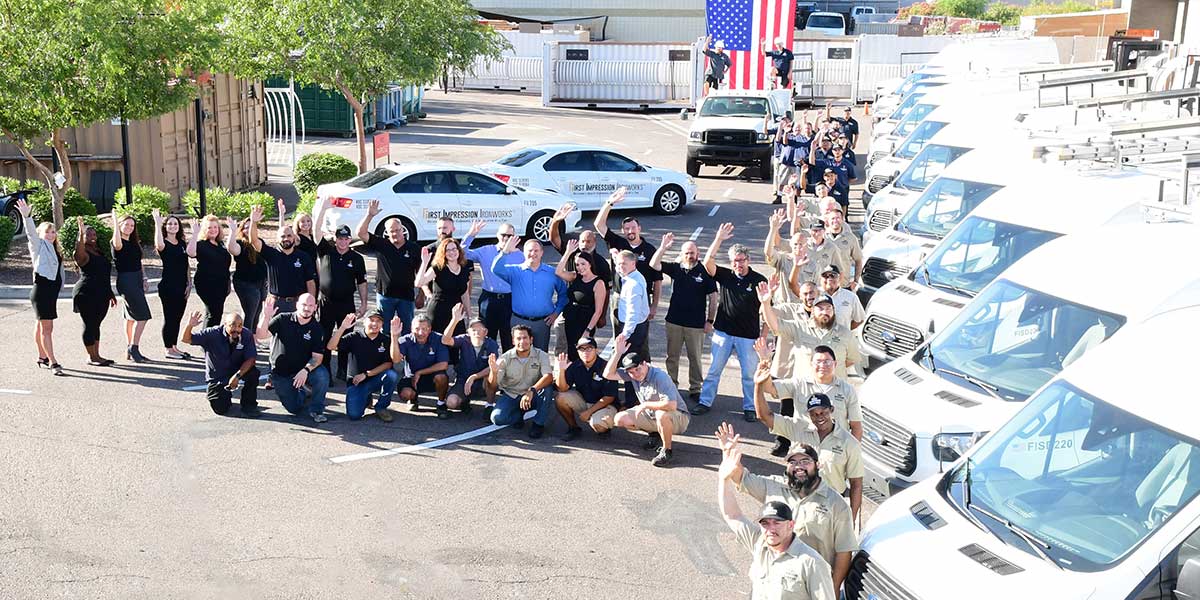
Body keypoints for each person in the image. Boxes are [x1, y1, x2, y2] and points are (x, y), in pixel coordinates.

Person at [716, 423, 857, 594]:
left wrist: (832, 590)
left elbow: (843, 553)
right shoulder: (773, 487)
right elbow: (739, 480)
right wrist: (728, 453)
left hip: (811, 585)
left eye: (805, 461)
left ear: (818, 464)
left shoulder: (837, 504)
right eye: (793, 461)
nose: (799, 466)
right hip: (775, 578)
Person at [754, 361, 863, 520]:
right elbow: (765, 416)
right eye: (814, 414)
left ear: (832, 410)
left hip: (831, 506)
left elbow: (856, 485)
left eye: (823, 412)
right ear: (808, 414)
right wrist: (758, 387)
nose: (820, 417)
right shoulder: (798, 428)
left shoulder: (849, 443)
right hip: (798, 500)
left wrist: (851, 520)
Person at [695, 223, 768, 421]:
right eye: (735, 261)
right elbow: (708, 261)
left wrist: (763, 336)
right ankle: (705, 402)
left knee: (749, 375)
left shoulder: (759, 280)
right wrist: (719, 238)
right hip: (723, 333)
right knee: (714, 371)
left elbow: (769, 310)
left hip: (748, 336)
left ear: (748, 260)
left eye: (741, 260)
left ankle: (750, 407)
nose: (738, 264)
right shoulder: (726, 275)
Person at [649, 232, 718, 400]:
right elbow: (653, 264)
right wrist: (663, 247)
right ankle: (672, 385)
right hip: (674, 321)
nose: (689, 256)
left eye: (692, 253)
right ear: (682, 254)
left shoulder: (705, 272)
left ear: (698, 254)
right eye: (686, 253)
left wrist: (710, 320)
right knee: (672, 356)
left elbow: (714, 298)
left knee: (695, 358)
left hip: (695, 324)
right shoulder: (676, 268)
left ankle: (695, 388)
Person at [593, 188, 662, 354]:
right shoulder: (617, 243)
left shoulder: (650, 249)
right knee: (619, 338)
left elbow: (658, 279)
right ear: (623, 230)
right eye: (627, 229)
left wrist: (654, 306)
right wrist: (610, 202)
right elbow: (598, 225)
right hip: (618, 297)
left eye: (633, 228)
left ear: (639, 228)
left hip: (640, 298)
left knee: (639, 339)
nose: (630, 231)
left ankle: (642, 371)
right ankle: (620, 369)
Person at [605, 335, 691, 468]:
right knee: (620, 419)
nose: (635, 374)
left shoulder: (660, 377)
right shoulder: (632, 374)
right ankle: (655, 433)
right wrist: (617, 353)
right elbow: (608, 374)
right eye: (631, 372)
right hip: (652, 414)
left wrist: (645, 405)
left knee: (661, 414)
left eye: (637, 369)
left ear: (644, 363)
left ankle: (666, 450)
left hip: (678, 417)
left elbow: (671, 405)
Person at [310, 199, 368, 382]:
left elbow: (362, 282)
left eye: (346, 238)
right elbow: (316, 232)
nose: (343, 241)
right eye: (340, 238)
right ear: (335, 239)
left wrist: (364, 303)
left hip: (347, 303)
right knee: (326, 336)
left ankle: (343, 369)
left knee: (346, 336)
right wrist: (323, 209)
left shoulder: (357, 258)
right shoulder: (326, 251)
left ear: (350, 239)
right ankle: (325, 368)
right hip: (326, 302)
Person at [761, 284, 860, 380]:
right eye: (820, 308)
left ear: (834, 310)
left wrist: (831, 370)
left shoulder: (846, 334)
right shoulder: (800, 328)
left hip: (835, 391)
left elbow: (852, 359)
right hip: (805, 390)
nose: (824, 312)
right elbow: (774, 324)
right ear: (812, 311)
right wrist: (766, 303)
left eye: (828, 308)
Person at [255, 294, 329, 423]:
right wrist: (266, 316)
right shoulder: (282, 319)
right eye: (304, 305)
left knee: (322, 375)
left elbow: (317, 358)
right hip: (281, 372)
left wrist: (305, 370)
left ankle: (316, 410)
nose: (307, 308)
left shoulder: (317, 329)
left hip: (303, 370)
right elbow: (261, 335)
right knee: (294, 409)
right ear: (297, 305)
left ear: (315, 307)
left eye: (310, 305)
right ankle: (303, 392)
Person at [491, 235, 568, 352]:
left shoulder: (552, 273)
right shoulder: (514, 271)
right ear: (523, 253)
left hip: (542, 323)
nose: (533, 253)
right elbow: (496, 269)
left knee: (540, 356)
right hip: (519, 321)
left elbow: (564, 294)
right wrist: (505, 251)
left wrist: (556, 313)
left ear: (542, 253)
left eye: (536, 250)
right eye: (529, 251)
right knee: (518, 356)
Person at [15, 199, 65, 375]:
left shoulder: (54, 247)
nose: (51, 235)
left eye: (53, 232)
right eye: (48, 232)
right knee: (47, 328)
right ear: (41, 234)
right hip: (42, 292)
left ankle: (42, 356)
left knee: (40, 324)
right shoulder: (38, 245)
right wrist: (27, 216)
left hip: (50, 293)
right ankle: (53, 362)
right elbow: (31, 234)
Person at [356, 200, 420, 334]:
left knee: (407, 330)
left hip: (406, 296)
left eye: (398, 230)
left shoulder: (414, 248)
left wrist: (422, 294)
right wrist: (369, 215)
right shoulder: (381, 244)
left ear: (403, 229)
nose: (395, 233)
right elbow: (361, 233)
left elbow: (420, 272)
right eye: (392, 231)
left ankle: (404, 355)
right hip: (385, 296)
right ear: (387, 232)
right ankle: (385, 354)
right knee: (384, 330)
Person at [182, 310, 260, 417]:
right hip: (218, 376)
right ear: (225, 325)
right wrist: (189, 325)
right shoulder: (212, 334)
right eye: (232, 325)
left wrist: (237, 376)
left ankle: (249, 405)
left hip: (237, 370)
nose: (236, 329)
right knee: (221, 409)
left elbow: (251, 359)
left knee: (253, 373)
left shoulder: (246, 334)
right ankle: (223, 396)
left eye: (240, 326)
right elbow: (186, 339)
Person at [460, 219, 523, 350]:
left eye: (509, 235)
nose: (505, 238)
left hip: (510, 299)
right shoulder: (486, 251)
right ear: (497, 235)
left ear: (514, 237)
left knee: (509, 337)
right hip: (489, 299)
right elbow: (462, 253)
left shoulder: (521, 256)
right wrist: (471, 235)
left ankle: (509, 367)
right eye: (503, 235)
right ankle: (488, 367)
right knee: (487, 337)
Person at [486, 324, 555, 438]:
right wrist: (493, 372)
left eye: (525, 338)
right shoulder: (505, 358)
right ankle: (518, 416)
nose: (522, 341)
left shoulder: (541, 355)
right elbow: (492, 387)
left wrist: (532, 390)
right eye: (518, 338)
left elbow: (548, 377)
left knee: (547, 389)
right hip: (512, 395)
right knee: (497, 418)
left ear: (531, 339)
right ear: (513, 341)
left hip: (533, 395)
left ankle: (538, 424)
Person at [248, 204, 317, 314]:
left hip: (298, 304)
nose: (286, 239)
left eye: (289, 236)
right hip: (276, 304)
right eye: (283, 236)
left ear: (294, 237)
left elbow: (310, 283)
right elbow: (254, 241)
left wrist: (311, 304)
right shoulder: (271, 254)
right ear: (277, 239)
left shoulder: (303, 257)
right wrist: (253, 222)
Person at [329, 311, 398, 422]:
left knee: (392, 375)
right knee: (354, 415)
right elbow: (331, 346)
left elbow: (388, 364)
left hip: (375, 379)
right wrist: (342, 328)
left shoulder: (385, 340)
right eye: (371, 320)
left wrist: (366, 374)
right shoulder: (354, 337)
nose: (375, 324)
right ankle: (366, 397)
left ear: (382, 324)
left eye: (378, 321)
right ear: (364, 322)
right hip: (356, 383)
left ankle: (381, 407)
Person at [71, 215, 117, 366]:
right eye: (87, 234)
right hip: (86, 294)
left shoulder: (98, 251)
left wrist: (110, 293)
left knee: (96, 325)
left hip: (101, 294)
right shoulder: (82, 254)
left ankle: (97, 355)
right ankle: (91, 357)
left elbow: (104, 275)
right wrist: (80, 234)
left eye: (93, 234)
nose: (92, 236)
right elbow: (79, 252)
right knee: (89, 325)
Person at [553, 337, 619, 441]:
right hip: (585, 401)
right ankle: (573, 428)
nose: (585, 352)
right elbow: (562, 388)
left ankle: (604, 428)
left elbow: (609, 397)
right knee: (560, 397)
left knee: (598, 425)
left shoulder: (606, 367)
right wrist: (561, 371)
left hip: (605, 405)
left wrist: (589, 412)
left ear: (596, 350)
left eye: (589, 348)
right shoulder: (575, 365)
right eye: (582, 349)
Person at [440, 303, 499, 415]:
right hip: (463, 380)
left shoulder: (491, 344)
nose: (476, 332)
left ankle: (489, 406)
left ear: (485, 332)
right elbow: (445, 340)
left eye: (479, 329)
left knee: (492, 376)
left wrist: (475, 376)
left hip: (482, 381)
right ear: (468, 332)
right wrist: (454, 320)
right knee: (451, 403)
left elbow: (493, 366)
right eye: (473, 329)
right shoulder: (464, 340)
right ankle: (464, 401)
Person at [149, 210, 193, 361]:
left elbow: (186, 264)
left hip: (182, 286)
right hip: (168, 287)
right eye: (170, 224)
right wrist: (157, 222)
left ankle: (174, 347)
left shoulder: (181, 243)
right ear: (165, 227)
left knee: (177, 318)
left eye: (175, 224)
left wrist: (189, 282)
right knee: (170, 318)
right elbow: (159, 244)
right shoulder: (164, 243)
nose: (173, 226)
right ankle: (168, 349)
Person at [554, 239, 606, 361]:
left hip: (585, 322)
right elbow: (558, 272)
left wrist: (588, 330)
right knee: (571, 352)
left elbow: (598, 311)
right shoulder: (575, 276)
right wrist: (568, 252)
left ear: (590, 264)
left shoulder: (598, 283)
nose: (580, 267)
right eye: (577, 264)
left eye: (583, 264)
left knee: (583, 353)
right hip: (571, 319)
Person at [391, 314, 451, 418]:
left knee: (441, 377)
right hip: (412, 378)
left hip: (432, 377)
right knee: (406, 394)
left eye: (424, 329)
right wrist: (394, 337)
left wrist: (420, 372)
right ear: (411, 328)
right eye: (417, 328)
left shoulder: (438, 339)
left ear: (430, 329)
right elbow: (396, 359)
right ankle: (413, 399)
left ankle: (441, 404)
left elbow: (443, 365)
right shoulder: (405, 340)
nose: (420, 333)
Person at [111, 211, 151, 363]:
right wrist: (115, 221)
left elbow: (139, 262)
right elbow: (118, 245)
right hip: (126, 280)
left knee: (131, 317)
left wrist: (144, 277)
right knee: (143, 315)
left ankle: (130, 347)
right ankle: (134, 347)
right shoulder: (116, 241)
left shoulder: (134, 242)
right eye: (126, 224)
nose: (129, 227)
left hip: (136, 278)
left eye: (132, 225)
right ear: (120, 226)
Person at [416, 237, 473, 340]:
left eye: (454, 249)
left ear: (459, 251)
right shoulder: (438, 268)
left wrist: (469, 316)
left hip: (456, 313)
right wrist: (424, 262)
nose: (452, 252)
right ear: (443, 253)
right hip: (438, 311)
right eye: (448, 250)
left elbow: (464, 294)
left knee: (455, 344)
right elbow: (419, 283)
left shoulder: (464, 268)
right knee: (437, 345)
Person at [183, 213, 229, 332]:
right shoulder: (201, 244)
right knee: (213, 312)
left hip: (222, 284)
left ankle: (211, 340)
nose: (213, 230)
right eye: (209, 227)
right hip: (206, 284)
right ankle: (207, 342)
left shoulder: (221, 244)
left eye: (215, 227)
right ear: (204, 230)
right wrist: (195, 234)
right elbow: (190, 253)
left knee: (217, 312)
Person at [229, 217, 267, 335]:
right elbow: (232, 249)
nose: (248, 229)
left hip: (261, 282)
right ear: (242, 230)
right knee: (250, 313)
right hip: (245, 283)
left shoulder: (259, 241)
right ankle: (245, 339)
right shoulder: (240, 243)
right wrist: (232, 231)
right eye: (246, 227)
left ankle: (253, 336)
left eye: (251, 227)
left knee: (258, 311)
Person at [611, 248, 650, 353]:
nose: (620, 267)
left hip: (633, 329)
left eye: (624, 264)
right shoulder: (633, 275)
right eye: (619, 264)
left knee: (629, 361)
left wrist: (625, 334)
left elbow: (633, 313)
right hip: (636, 326)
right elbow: (620, 270)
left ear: (633, 264)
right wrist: (616, 257)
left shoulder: (633, 285)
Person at [823, 208, 862, 291]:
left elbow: (858, 259)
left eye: (838, 218)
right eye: (832, 218)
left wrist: (856, 281)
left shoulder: (851, 238)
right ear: (827, 221)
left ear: (843, 219)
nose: (835, 221)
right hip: (824, 285)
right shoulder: (822, 237)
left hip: (843, 285)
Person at [817, 265, 863, 330]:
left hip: (839, 339)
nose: (829, 279)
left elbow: (859, 320)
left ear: (839, 278)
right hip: (816, 338)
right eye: (825, 276)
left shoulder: (851, 297)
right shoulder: (814, 293)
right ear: (820, 279)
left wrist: (844, 332)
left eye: (833, 276)